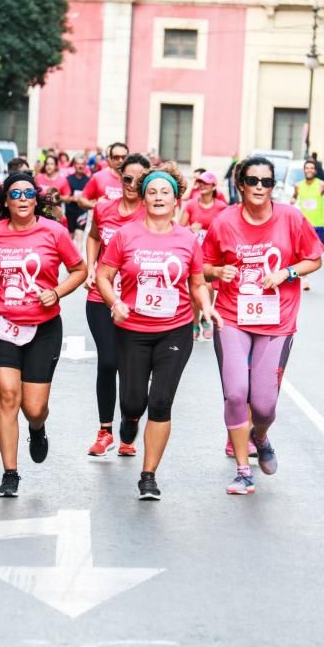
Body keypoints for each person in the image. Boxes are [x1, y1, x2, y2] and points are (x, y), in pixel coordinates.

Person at [96, 163, 222, 500]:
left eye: (165, 192)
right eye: (151, 191)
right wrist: (114, 303)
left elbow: (197, 283)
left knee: (162, 402)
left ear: (176, 198)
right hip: (133, 330)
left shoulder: (188, 240)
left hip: (175, 330)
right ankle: (129, 419)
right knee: (134, 400)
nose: (158, 197)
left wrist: (206, 307)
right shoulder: (126, 235)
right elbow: (103, 276)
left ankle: (148, 476)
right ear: (143, 198)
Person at [203, 156, 324, 495]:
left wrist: (286, 273)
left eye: (266, 182)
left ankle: (260, 436)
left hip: (277, 318)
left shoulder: (291, 218)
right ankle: (243, 470)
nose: (260, 187)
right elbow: (204, 266)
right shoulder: (224, 222)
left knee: (265, 404)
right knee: (236, 393)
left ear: (273, 186)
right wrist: (218, 272)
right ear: (240, 184)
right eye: (253, 181)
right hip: (232, 315)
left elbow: (313, 258)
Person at [0, 172, 87, 497]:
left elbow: (80, 269)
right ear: (5, 201)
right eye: (15, 194)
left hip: (44, 326)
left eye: (27, 193)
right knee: (8, 395)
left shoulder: (54, 232)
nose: (22, 199)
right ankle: (10, 473)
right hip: (4, 323)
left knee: (33, 407)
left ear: (36, 199)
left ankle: (37, 429)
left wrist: (58, 292)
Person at [85, 153, 150, 458]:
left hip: (137, 301)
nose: (132, 184)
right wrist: (90, 268)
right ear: (118, 176)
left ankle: (128, 428)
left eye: (140, 180)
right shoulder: (103, 208)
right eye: (127, 178)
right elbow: (94, 237)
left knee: (131, 367)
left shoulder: (151, 213)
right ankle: (105, 431)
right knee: (108, 361)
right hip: (102, 297)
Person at [179, 174, 227, 340]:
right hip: (194, 252)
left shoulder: (221, 207)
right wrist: (191, 229)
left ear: (213, 186)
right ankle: (194, 323)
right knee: (194, 290)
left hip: (213, 254)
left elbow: (227, 228)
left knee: (208, 287)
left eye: (206, 183)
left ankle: (206, 318)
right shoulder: (191, 205)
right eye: (200, 182)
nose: (202, 185)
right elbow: (179, 228)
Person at [291, 158, 324, 290]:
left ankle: (303, 275)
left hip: (318, 224)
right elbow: (294, 197)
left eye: (312, 168)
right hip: (303, 225)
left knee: (315, 256)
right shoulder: (298, 185)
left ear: (315, 171)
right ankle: (304, 278)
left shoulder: (321, 185)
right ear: (304, 170)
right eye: (307, 168)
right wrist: (291, 201)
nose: (309, 170)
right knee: (304, 253)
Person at [78, 142, 129, 210]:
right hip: (103, 219)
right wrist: (95, 205)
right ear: (110, 159)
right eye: (116, 157)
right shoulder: (98, 177)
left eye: (124, 157)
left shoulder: (134, 179)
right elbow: (81, 200)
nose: (120, 160)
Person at [65, 156, 89, 250]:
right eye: (78, 163)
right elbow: (63, 196)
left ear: (85, 165)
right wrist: (71, 198)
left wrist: (85, 199)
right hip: (70, 210)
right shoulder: (68, 179)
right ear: (74, 165)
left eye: (82, 164)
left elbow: (92, 196)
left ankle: (78, 259)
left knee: (79, 235)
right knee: (70, 237)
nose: (80, 166)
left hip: (82, 211)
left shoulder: (89, 180)